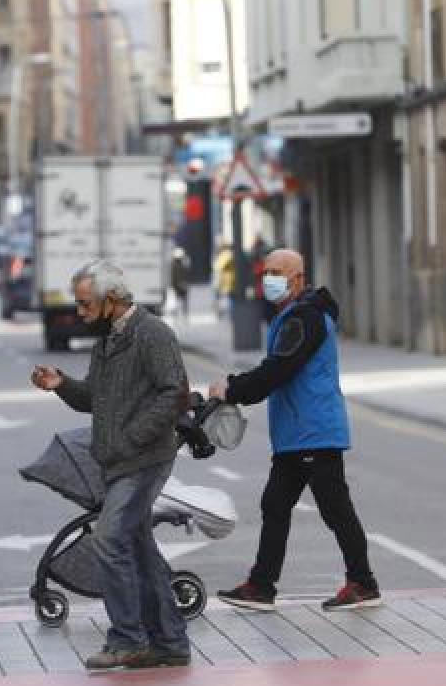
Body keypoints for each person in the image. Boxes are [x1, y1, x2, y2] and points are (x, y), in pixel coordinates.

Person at [31, 260, 192, 671]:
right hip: (118, 461)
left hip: (145, 459)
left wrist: (130, 438)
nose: (80, 313)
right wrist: (61, 385)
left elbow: (173, 395)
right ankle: (171, 642)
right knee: (138, 548)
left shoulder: (153, 334)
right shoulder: (106, 341)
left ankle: (128, 639)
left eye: (86, 305)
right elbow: (94, 399)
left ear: (112, 300)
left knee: (108, 539)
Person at [209, 248, 381, 613]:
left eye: (278, 273)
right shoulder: (292, 316)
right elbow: (278, 367)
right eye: (266, 271)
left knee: (335, 509)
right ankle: (261, 586)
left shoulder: (305, 319)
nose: (269, 279)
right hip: (296, 434)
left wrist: (233, 389)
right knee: (275, 504)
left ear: (298, 279)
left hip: (314, 432)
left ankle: (363, 582)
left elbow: (279, 369)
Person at [213, 240, 235, 319]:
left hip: (226, 281)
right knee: (228, 299)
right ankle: (227, 313)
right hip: (227, 280)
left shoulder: (225, 255)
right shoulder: (227, 255)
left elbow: (218, 267)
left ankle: (229, 314)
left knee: (228, 299)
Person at [169, 246, 190, 319]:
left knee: (179, 300)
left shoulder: (174, 264)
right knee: (181, 300)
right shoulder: (179, 264)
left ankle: (181, 314)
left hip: (178, 285)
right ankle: (182, 314)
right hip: (179, 284)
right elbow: (183, 275)